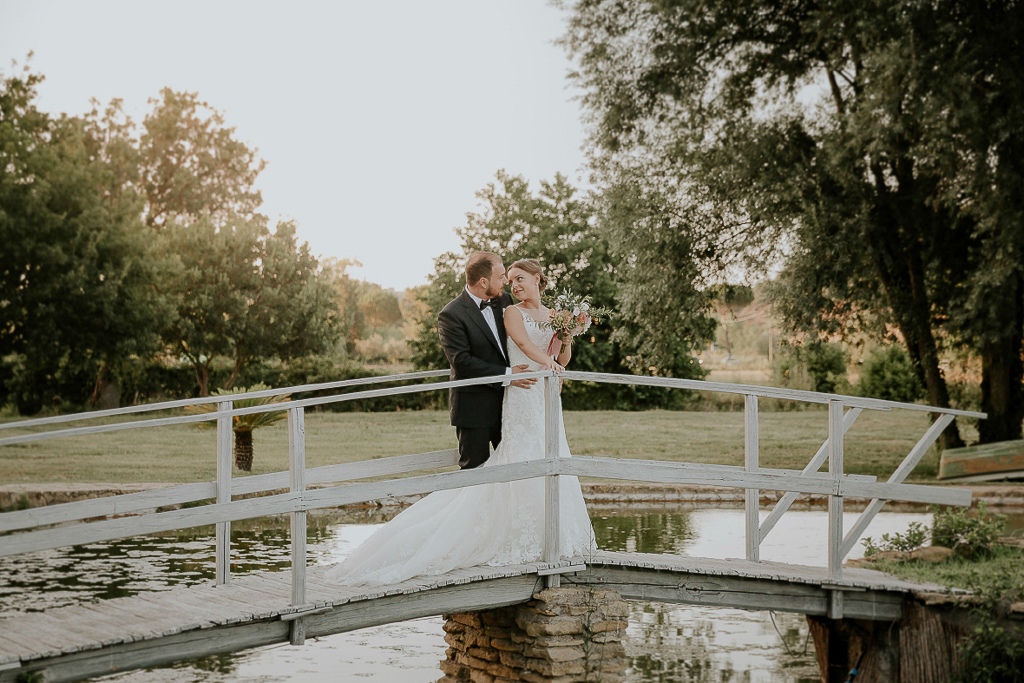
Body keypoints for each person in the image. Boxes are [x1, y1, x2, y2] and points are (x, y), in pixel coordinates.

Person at [324, 257, 595, 586]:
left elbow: (555, 352)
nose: (509, 284)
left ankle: (536, 539)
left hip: (531, 399)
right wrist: (528, 371)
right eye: (504, 278)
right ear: (484, 281)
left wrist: (566, 335)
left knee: (528, 468)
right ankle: (458, 541)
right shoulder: (457, 313)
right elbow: (466, 361)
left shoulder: (508, 304)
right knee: (475, 482)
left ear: (537, 278)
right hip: (482, 406)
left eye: (516, 278)